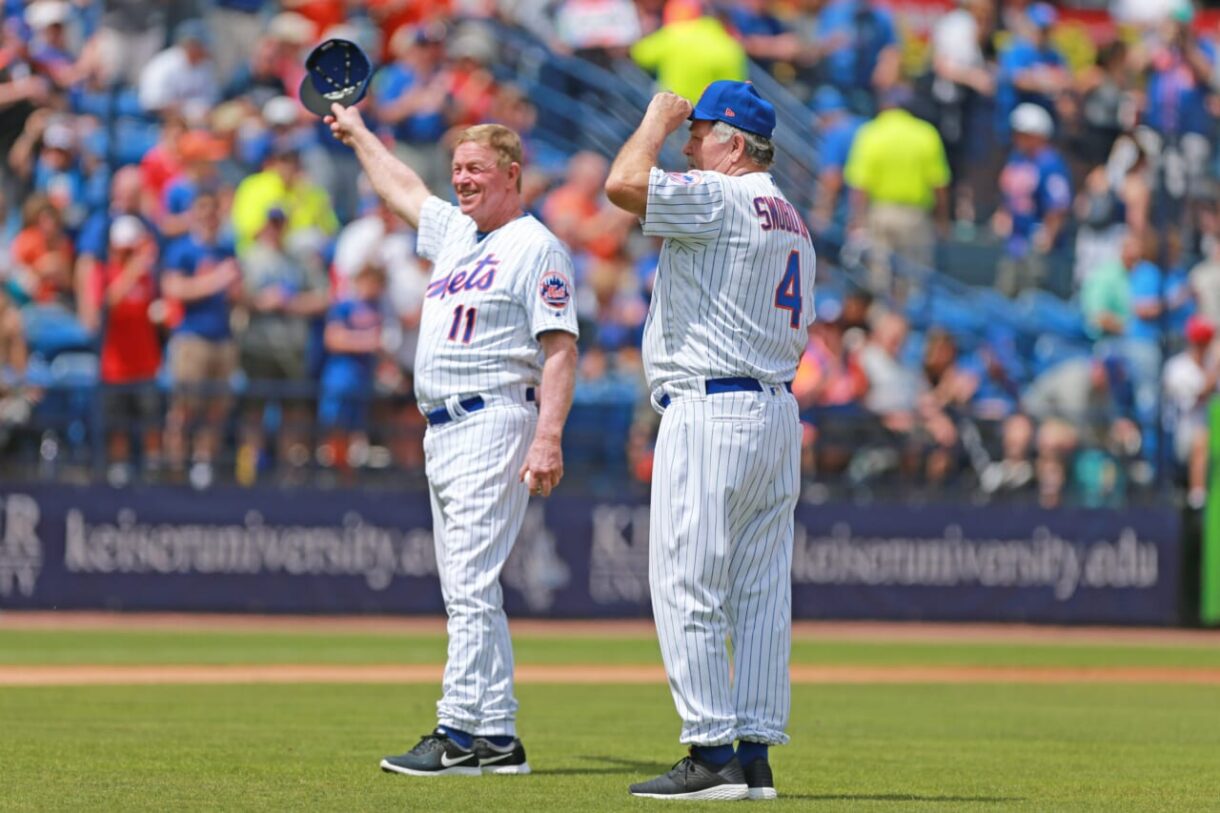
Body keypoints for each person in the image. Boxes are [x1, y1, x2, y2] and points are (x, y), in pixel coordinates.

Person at [325, 104, 579, 776]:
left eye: (476, 169)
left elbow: (559, 348)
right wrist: (357, 134)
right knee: (470, 586)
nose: (462, 179)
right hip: (444, 425)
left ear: (512, 175)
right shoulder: (459, 233)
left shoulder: (536, 246)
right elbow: (403, 187)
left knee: (468, 582)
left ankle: (458, 731)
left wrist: (548, 436)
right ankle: (495, 735)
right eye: (459, 168)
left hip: (495, 414)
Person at [605, 80, 814, 801]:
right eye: (686, 131)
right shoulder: (791, 215)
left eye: (700, 132)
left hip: (712, 406)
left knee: (686, 578)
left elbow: (623, 184)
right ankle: (754, 753)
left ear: (733, 142)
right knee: (758, 591)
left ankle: (711, 751)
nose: (689, 144)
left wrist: (654, 121)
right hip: (777, 412)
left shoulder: (722, 196)